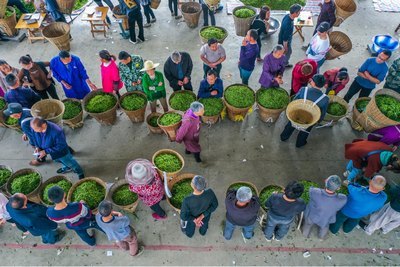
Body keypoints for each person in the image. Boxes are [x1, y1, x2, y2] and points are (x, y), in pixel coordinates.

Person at [280, 74, 329, 148]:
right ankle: (300, 143)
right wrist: (318, 121)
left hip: (297, 113)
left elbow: (295, 101)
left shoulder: (304, 90)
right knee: (305, 131)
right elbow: (323, 112)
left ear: (313, 82)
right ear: (322, 85)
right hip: (310, 119)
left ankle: (284, 137)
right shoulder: (325, 98)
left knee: (290, 125)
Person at [302, 175, 347, 240]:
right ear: (338, 188)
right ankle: (321, 237)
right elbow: (342, 197)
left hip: (312, 216)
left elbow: (310, 190)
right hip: (326, 218)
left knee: (308, 225)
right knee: (324, 227)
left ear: (325, 181)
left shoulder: (314, 192)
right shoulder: (342, 199)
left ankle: (305, 234)